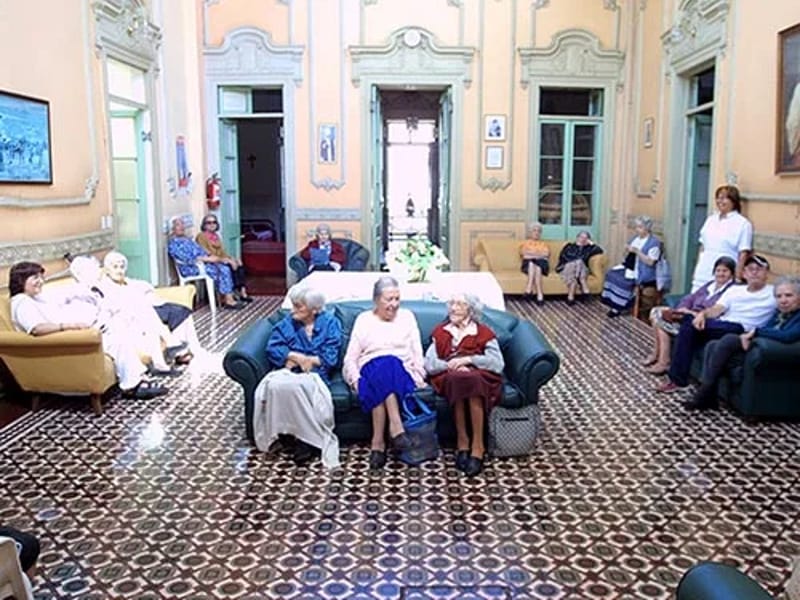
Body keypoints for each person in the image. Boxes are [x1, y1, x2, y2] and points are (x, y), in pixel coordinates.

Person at [8, 261, 167, 399]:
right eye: (35, 278)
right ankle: (134, 384)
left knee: (119, 329)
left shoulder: (36, 297)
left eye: (41, 277)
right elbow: (37, 329)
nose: (40, 281)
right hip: (65, 340)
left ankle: (139, 377)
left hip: (75, 335)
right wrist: (69, 326)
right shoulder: (21, 302)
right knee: (117, 339)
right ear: (21, 280)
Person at [656, 254, 776, 394]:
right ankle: (677, 376)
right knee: (689, 325)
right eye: (750, 269)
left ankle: (677, 380)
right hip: (722, 324)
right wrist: (703, 315)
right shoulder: (735, 290)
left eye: (759, 269)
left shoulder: (774, 292)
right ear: (744, 273)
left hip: (742, 329)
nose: (754, 272)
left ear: (767, 273)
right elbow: (717, 309)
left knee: (687, 326)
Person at [342, 276, 426, 471]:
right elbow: (350, 358)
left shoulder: (407, 317)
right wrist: (355, 380)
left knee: (389, 364)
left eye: (397, 299)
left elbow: (417, 352)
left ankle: (377, 443)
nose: (394, 304)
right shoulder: (363, 319)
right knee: (382, 367)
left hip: (402, 374)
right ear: (376, 300)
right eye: (389, 299)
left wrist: (419, 375)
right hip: (370, 371)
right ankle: (396, 429)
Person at [253, 286, 342, 467]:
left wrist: (306, 360)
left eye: (299, 307)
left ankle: (306, 440)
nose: (293, 310)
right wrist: (295, 357)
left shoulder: (330, 323)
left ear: (314, 310)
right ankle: (285, 433)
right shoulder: (287, 323)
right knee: (276, 386)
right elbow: (273, 349)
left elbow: (330, 358)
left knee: (302, 388)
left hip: (315, 374)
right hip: (290, 372)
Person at [685, 276, 800, 410]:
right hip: (757, 350)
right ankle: (709, 397)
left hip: (772, 356)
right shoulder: (779, 314)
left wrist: (755, 333)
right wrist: (753, 334)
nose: (783, 300)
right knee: (713, 345)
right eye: (779, 296)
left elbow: (788, 336)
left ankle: (702, 394)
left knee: (729, 339)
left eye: (788, 295)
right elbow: (766, 329)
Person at [424, 293, 504, 477]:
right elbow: (429, 364)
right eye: (452, 303)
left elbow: (497, 364)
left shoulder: (483, 333)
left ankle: (476, 444)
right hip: (449, 376)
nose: (454, 308)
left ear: (471, 309)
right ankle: (463, 440)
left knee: (471, 379)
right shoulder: (441, 332)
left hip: (479, 376)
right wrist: (451, 365)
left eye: (460, 304)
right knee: (458, 379)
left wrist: (469, 360)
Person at [99, 251, 200, 364]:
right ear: (107, 269)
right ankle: (175, 347)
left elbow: (144, 287)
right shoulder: (105, 287)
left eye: (122, 267)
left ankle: (181, 349)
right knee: (149, 313)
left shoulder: (128, 282)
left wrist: (145, 293)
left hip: (146, 309)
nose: (119, 270)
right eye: (115, 267)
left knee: (180, 311)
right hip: (129, 318)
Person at [642, 256, 737, 375]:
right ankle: (658, 355)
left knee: (659, 319)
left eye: (725, 271)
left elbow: (715, 311)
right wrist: (682, 308)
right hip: (686, 315)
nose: (721, 274)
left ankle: (663, 360)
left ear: (732, 274)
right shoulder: (710, 285)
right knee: (657, 312)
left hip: (699, 321)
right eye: (718, 270)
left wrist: (692, 313)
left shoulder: (731, 291)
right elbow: (691, 298)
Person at [167, 216, 243, 310]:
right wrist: (208, 259)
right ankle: (228, 299)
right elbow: (187, 258)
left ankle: (228, 297)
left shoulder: (187, 240)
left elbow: (202, 251)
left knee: (224, 266)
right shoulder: (174, 244)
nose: (182, 227)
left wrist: (214, 257)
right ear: (172, 228)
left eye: (183, 224)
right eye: (178, 225)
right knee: (223, 269)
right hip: (191, 267)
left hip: (202, 262)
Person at [690, 185, 752, 291]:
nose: (720, 201)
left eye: (724, 198)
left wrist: (737, 278)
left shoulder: (742, 223)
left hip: (724, 273)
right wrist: (697, 268)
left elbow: (743, 253)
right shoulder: (711, 219)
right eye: (718, 198)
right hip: (704, 270)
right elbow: (702, 247)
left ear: (733, 201)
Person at [601, 216, 661, 317]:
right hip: (629, 266)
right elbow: (625, 254)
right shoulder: (635, 238)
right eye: (636, 227)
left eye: (640, 227)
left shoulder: (653, 242)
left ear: (647, 228)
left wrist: (638, 251)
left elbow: (651, 262)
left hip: (644, 271)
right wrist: (627, 249)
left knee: (622, 280)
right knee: (610, 274)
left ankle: (619, 306)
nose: (637, 229)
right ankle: (613, 303)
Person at [195, 214, 252, 303]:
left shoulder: (216, 236)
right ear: (204, 225)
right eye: (209, 223)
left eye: (214, 222)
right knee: (228, 267)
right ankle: (231, 295)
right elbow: (206, 253)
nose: (212, 224)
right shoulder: (201, 236)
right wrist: (225, 260)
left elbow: (222, 252)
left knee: (238, 262)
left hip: (220, 259)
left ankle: (242, 292)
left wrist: (231, 258)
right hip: (211, 262)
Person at [555, 230, 604, 305]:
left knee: (580, 263)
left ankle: (570, 297)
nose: (583, 239)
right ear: (577, 238)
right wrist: (577, 261)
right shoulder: (569, 246)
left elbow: (600, 250)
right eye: (581, 237)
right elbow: (564, 257)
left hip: (582, 270)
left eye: (586, 238)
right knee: (579, 262)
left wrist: (592, 244)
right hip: (567, 267)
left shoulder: (589, 248)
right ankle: (584, 287)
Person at [518, 222, 550, 305]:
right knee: (533, 263)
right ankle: (540, 294)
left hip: (542, 264)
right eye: (534, 231)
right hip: (528, 265)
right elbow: (524, 255)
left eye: (538, 231)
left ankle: (528, 290)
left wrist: (532, 254)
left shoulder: (543, 244)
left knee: (537, 264)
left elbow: (546, 254)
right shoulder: (526, 243)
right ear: (530, 232)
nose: (536, 233)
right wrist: (538, 254)